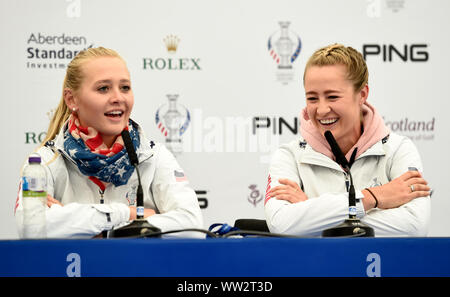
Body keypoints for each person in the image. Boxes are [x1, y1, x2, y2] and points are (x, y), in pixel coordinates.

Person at [15, 47, 203, 238]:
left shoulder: (154, 156)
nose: (118, 98)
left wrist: (93, 227)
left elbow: (191, 226)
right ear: (72, 99)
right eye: (103, 88)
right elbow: (31, 228)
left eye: (125, 88)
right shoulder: (44, 161)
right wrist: (127, 215)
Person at [264, 44, 431, 237]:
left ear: (362, 95)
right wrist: (373, 197)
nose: (322, 109)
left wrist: (311, 212)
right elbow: (281, 225)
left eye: (332, 96)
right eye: (312, 98)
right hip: (316, 268)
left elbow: (415, 227)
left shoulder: (399, 149)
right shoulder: (289, 156)